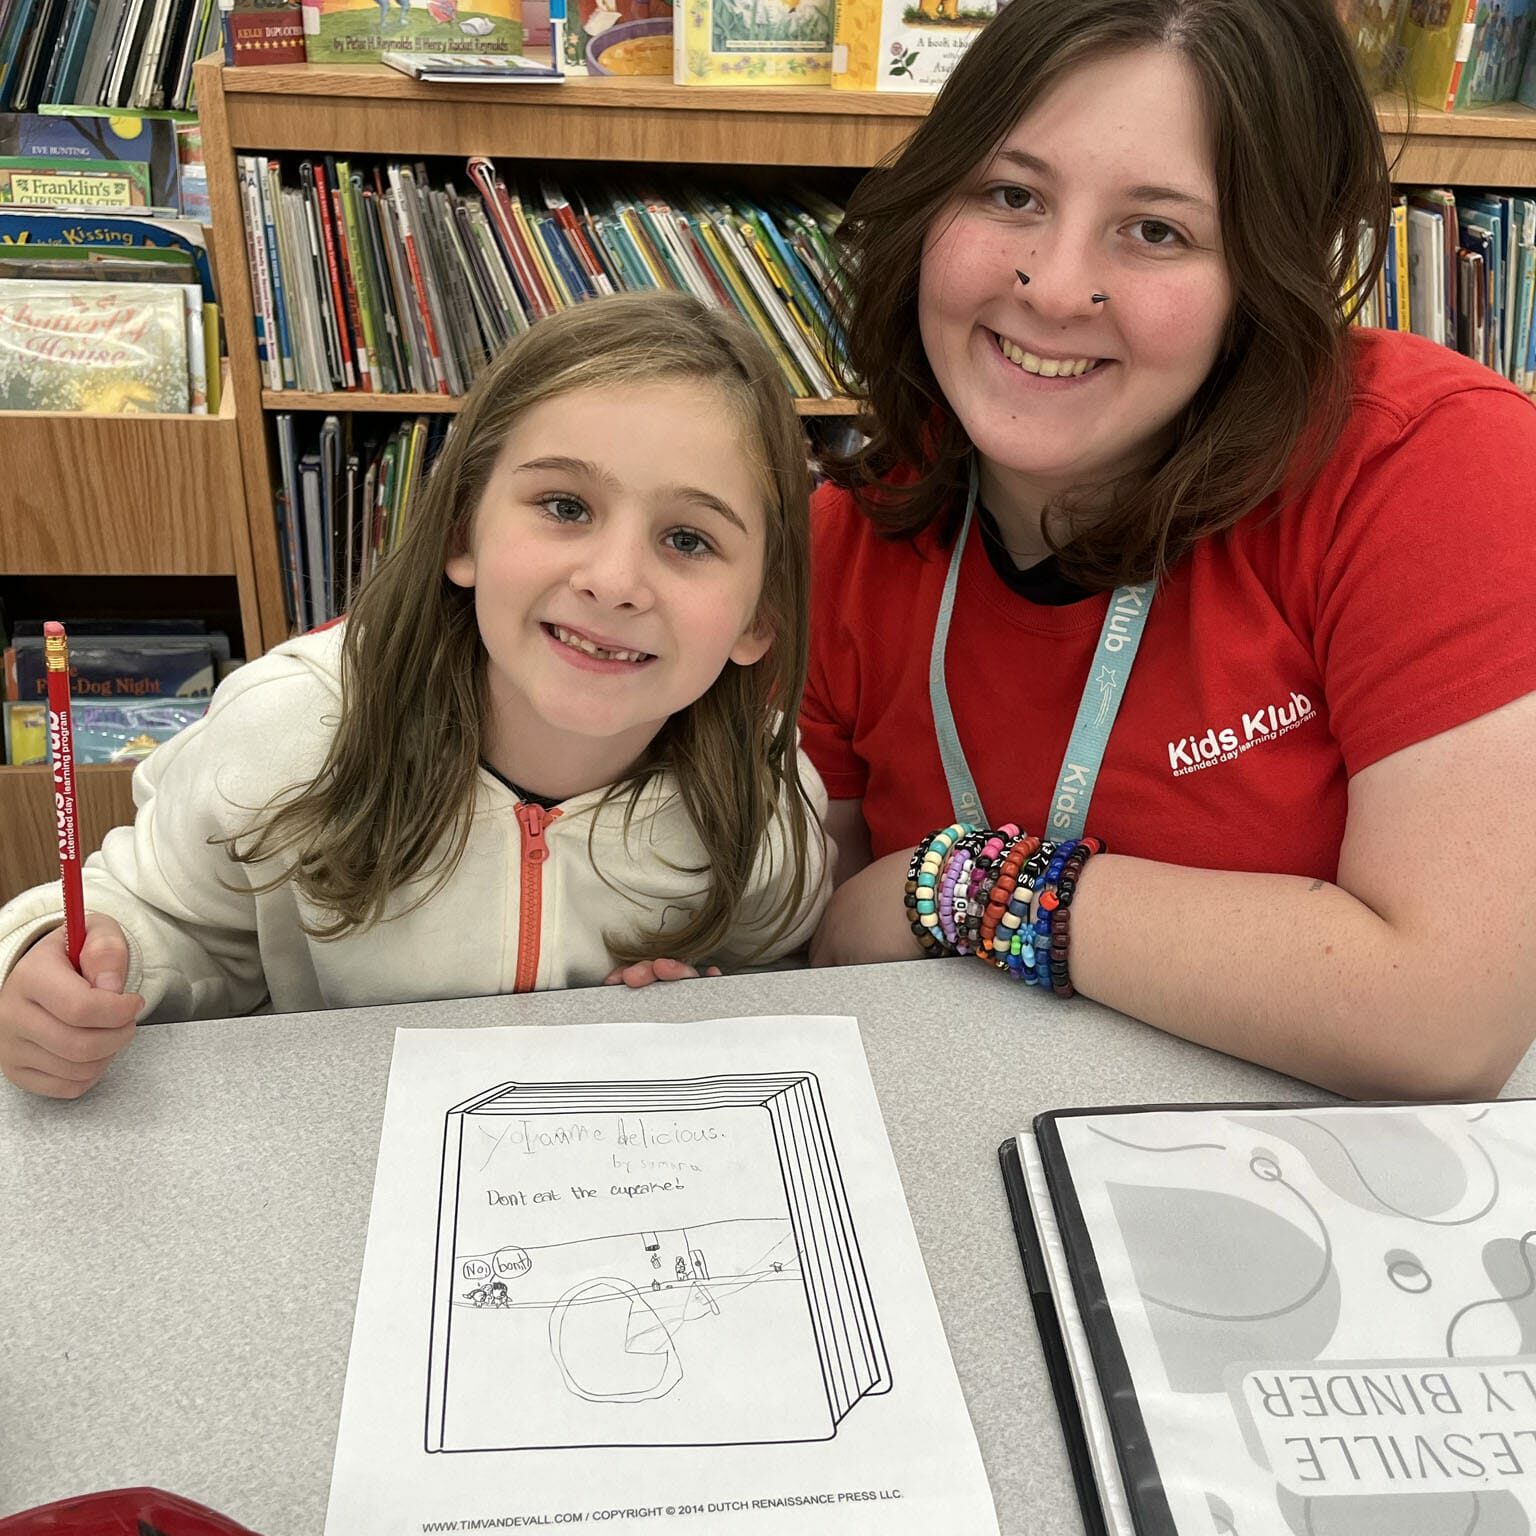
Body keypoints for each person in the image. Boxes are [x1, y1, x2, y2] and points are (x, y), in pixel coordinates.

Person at [802, 0, 1536, 1101]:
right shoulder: (848, 530)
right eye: (1012, 195)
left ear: (1265, 273)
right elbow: (824, 946)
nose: (1052, 287)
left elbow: (1441, 1018)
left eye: (1157, 231)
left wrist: (967, 885)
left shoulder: (1430, 464)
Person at [0, 292, 830, 1099]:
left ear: (760, 615)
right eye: (565, 506)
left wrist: (716, 1001)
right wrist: (60, 964)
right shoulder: (293, 732)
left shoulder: (763, 786)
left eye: (688, 539)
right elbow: (154, 916)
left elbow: (778, 966)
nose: (613, 582)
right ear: (463, 531)